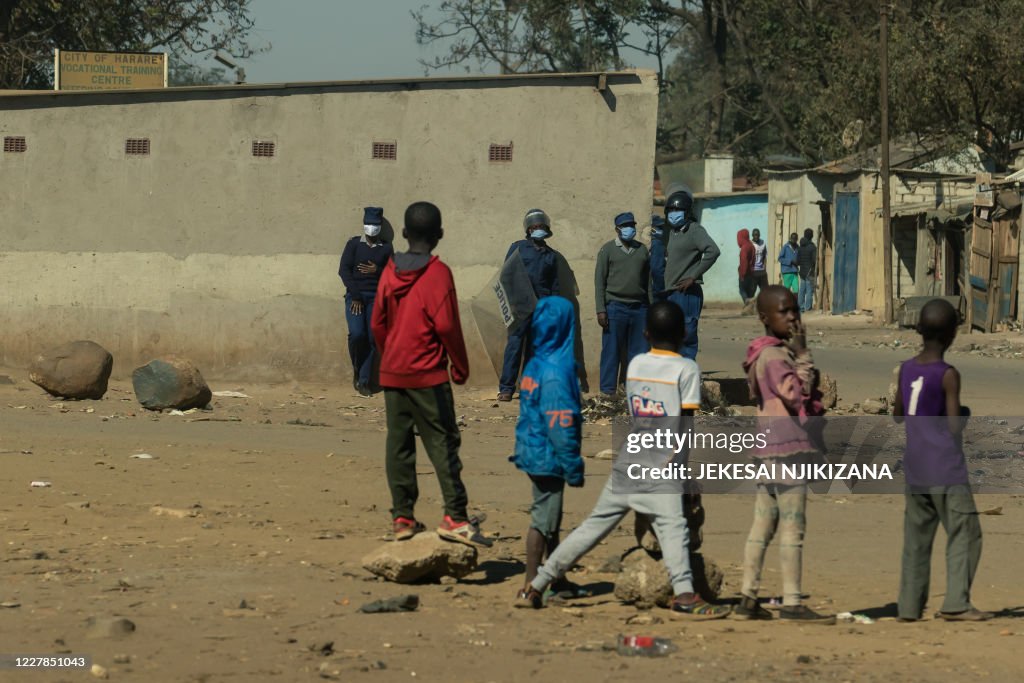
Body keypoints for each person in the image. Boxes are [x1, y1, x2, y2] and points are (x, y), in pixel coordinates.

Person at [516, 301, 731, 619]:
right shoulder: (686, 369)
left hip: (629, 460)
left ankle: (538, 583)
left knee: (591, 529)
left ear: (646, 334)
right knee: (674, 530)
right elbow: (684, 426)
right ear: (684, 333)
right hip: (662, 466)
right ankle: (684, 594)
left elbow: (636, 413)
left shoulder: (636, 365)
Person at [371, 201, 491, 548]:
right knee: (442, 442)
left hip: (393, 373)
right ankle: (455, 515)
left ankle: (402, 517)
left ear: (405, 234)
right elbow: (446, 324)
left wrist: (390, 353)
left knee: (399, 444)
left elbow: (377, 322)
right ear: (439, 235)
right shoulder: (438, 274)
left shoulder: (389, 270)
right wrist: (460, 364)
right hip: (428, 375)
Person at [735, 286, 834, 623]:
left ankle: (748, 596)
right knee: (793, 526)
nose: (793, 317)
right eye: (784, 311)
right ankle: (792, 601)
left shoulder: (761, 353)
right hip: (788, 450)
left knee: (763, 524)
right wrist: (803, 356)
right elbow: (796, 393)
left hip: (767, 450)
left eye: (795, 310)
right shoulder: (776, 357)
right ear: (765, 318)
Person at [892, 299, 991, 622]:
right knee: (965, 532)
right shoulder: (948, 375)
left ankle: (908, 606)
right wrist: (964, 415)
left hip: (916, 467)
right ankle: (956, 603)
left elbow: (897, 415)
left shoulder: (906, 369)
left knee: (915, 540)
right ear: (953, 333)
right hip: (945, 468)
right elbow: (952, 425)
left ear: (919, 330)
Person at [509, 296, 585, 602]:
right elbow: (560, 425)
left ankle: (558, 578)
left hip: (532, 450)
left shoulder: (536, 364)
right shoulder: (556, 372)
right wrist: (573, 465)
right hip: (549, 457)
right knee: (543, 521)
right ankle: (532, 584)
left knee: (551, 520)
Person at [498, 209, 561, 402]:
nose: (538, 229)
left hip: (541, 308)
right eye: (534, 226)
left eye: (541, 226)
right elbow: (506, 275)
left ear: (546, 228)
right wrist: (511, 302)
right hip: (520, 307)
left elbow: (554, 285)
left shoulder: (551, 255)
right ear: (528, 229)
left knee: (535, 350)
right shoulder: (517, 248)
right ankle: (507, 388)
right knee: (514, 347)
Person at [338, 206, 393, 395]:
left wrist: (377, 271)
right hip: (356, 298)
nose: (372, 228)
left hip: (376, 299)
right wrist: (355, 295)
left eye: (375, 224)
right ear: (364, 225)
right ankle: (357, 367)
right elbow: (344, 270)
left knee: (372, 338)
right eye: (369, 224)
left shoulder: (386, 247)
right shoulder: (354, 244)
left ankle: (363, 381)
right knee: (357, 335)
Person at [595, 212, 650, 396]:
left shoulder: (642, 250)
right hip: (615, 308)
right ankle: (608, 391)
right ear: (617, 229)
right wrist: (601, 309)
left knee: (639, 353)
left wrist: (650, 308)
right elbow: (599, 282)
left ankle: (636, 391)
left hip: (639, 308)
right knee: (611, 352)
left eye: (632, 225)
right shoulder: (607, 250)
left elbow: (648, 281)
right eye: (625, 226)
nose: (630, 229)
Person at [663, 186, 720, 360]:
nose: (674, 213)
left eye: (678, 210)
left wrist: (693, 276)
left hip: (686, 292)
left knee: (686, 335)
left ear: (687, 212)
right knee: (672, 334)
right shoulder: (673, 232)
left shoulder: (694, 230)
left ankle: (688, 372)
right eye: (671, 210)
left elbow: (713, 251)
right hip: (671, 292)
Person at [797, 228, 817, 313]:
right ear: (811, 236)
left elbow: (798, 260)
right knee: (809, 290)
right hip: (810, 271)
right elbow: (814, 260)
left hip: (802, 272)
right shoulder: (812, 247)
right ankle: (808, 308)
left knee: (802, 290)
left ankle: (800, 308)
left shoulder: (800, 247)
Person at [648, 214, 667, 301]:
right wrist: (661, 289)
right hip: (657, 289)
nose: (661, 230)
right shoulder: (657, 243)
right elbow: (657, 269)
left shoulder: (650, 243)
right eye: (659, 227)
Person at [737, 228, 756, 305]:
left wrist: (742, 274)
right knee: (749, 292)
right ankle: (749, 307)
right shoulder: (751, 245)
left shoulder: (744, 248)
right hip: (751, 273)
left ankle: (747, 302)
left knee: (742, 290)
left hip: (745, 273)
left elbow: (744, 262)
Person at [750, 228, 769, 296]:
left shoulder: (763, 243)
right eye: (755, 235)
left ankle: (764, 305)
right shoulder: (750, 244)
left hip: (761, 271)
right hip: (753, 272)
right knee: (752, 291)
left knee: (765, 291)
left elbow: (764, 256)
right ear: (752, 235)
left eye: (757, 235)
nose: (756, 236)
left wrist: (764, 267)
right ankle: (750, 305)